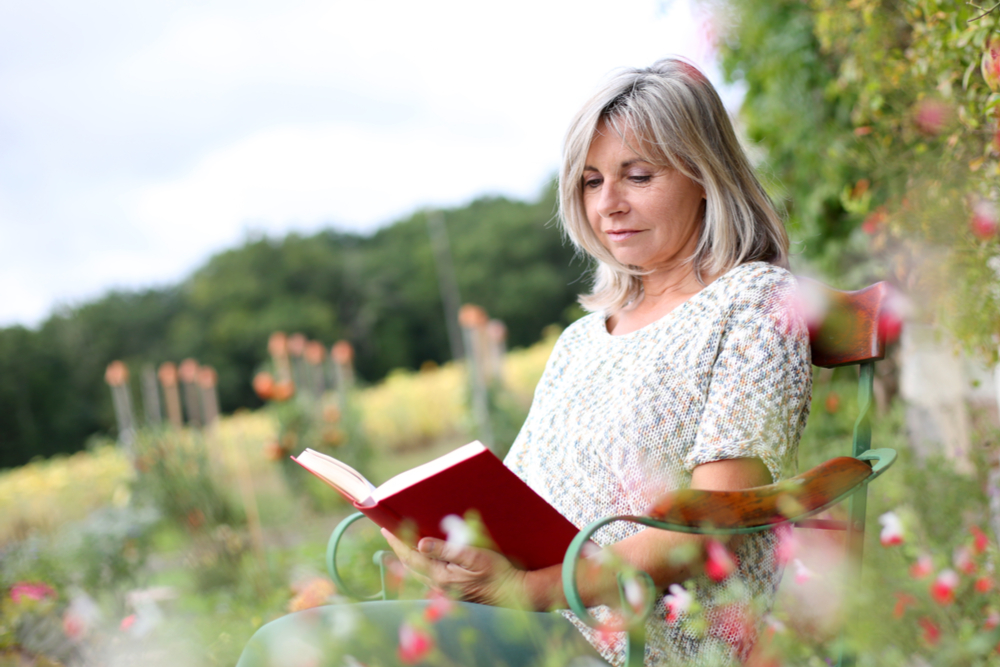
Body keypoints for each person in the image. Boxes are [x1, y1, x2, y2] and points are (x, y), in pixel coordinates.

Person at [237, 57, 811, 667]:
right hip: (534, 618)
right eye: (591, 182)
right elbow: (516, 499)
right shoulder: (583, 340)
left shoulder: (755, 302)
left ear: (706, 176)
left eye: (637, 176)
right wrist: (438, 547)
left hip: (641, 637)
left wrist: (529, 591)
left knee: (290, 647)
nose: (609, 203)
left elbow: (715, 521)